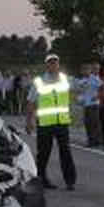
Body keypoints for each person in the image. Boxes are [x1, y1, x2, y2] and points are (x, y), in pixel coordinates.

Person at [25, 53, 76, 190]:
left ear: (58, 64)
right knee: (43, 153)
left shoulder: (65, 80)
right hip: (45, 123)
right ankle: (41, 180)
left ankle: (70, 181)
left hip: (62, 122)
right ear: (46, 65)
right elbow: (30, 102)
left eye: (55, 62)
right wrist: (29, 121)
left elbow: (76, 92)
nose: (53, 65)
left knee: (65, 152)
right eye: (50, 62)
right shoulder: (39, 81)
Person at [78, 63, 104, 147]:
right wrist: (80, 99)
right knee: (87, 123)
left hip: (94, 104)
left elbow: (102, 87)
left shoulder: (94, 78)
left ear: (90, 71)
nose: (85, 72)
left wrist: (98, 96)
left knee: (94, 123)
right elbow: (80, 91)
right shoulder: (82, 80)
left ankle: (95, 141)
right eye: (84, 70)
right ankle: (91, 139)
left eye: (87, 70)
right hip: (86, 104)